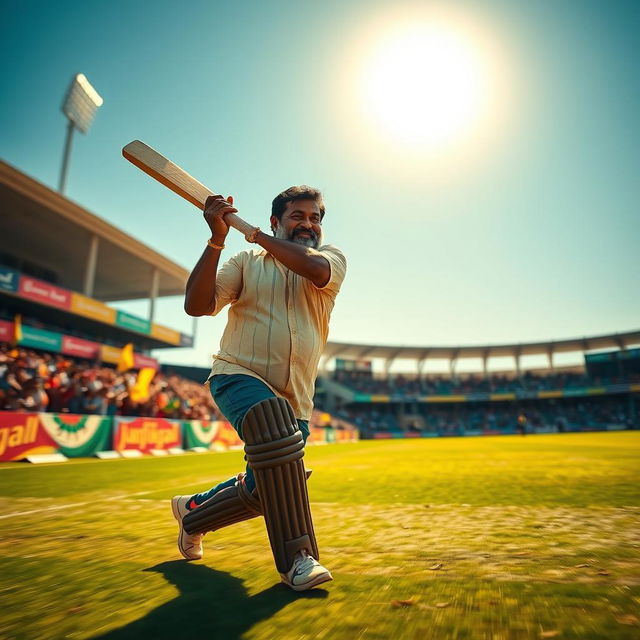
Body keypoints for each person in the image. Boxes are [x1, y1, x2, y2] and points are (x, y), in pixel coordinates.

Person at [172, 186, 346, 591]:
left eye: (314, 217)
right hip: (238, 375)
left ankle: (193, 513)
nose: (307, 224)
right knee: (275, 430)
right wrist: (217, 239)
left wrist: (251, 233)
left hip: (296, 399)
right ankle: (299, 560)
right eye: (297, 216)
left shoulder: (330, 259)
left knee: (266, 487)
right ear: (276, 221)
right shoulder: (245, 261)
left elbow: (313, 269)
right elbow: (198, 306)